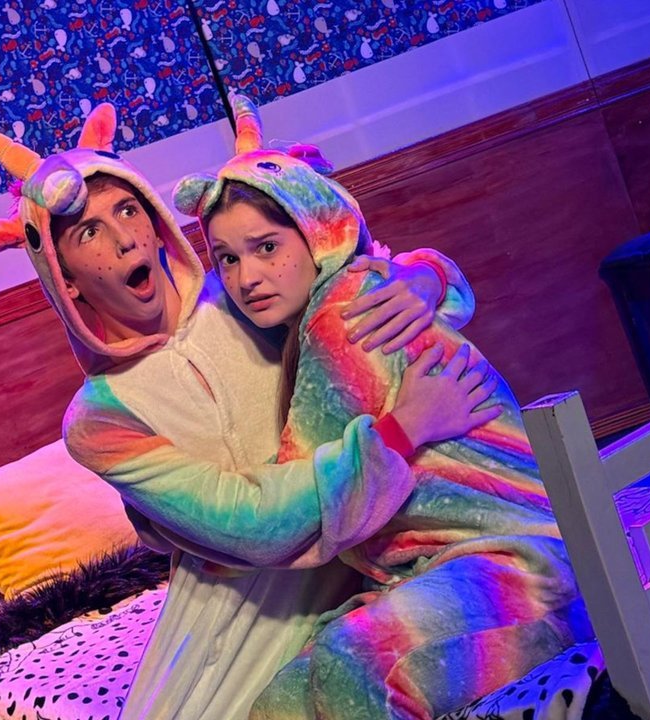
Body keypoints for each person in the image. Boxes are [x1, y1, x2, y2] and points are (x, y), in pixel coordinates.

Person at [0, 103, 489, 719]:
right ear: (64, 277)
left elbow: (355, 274)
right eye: (88, 233)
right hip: (245, 620)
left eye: (127, 210)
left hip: (372, 555)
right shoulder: (100, 419)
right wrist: (399, 433)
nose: (124, 238)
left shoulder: (243, 290)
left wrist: (425, 278)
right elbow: (250, 525)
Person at [172, 95, 594, 720]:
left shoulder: (342, 313)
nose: (246, 277)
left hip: (520, 567)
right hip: (438, 571)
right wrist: (430, 272)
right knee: (277, 707)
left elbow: (297, 513)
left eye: (266, 247)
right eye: (227, 258)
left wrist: (194, 536)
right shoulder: (333, 304)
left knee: (350, 665)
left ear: (316, 234)